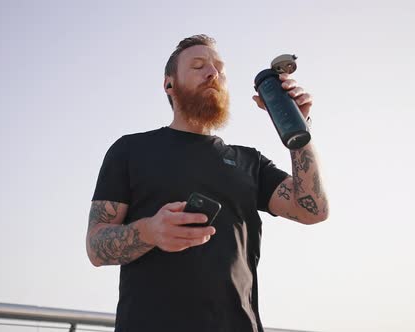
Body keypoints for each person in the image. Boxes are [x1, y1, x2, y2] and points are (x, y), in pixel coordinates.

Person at [86, 34, 329, 332]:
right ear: (169, 84)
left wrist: (299, 130)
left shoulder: (249, 162)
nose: (212, 72)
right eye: (198, 65)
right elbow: (96, 247)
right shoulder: (130, 150)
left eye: (219, 68)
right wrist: (150, 231)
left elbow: (312, 209)